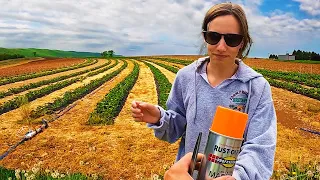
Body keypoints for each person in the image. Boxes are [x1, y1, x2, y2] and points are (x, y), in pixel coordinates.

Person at [131, 2, 277, 180]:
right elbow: (178, 126)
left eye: (231, 39)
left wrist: (237, 177)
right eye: (214, 37)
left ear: (242, 43)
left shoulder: (257, 88)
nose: (221, 47)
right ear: (205, 37)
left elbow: (260, 146)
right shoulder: (186, 77)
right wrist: (159, 117)